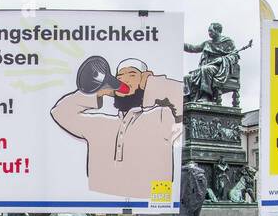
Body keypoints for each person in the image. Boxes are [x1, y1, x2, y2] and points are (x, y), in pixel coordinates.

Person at [51, 58, 181, 199]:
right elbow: (60, 112)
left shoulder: (163, 116)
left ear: (145, 78)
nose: (124, 80)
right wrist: (97, 92)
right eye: (119, 77)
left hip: (151, 200)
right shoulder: (100, 125)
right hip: (101, 199)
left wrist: (153, 83)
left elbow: (182, 101)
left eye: (132, 75)